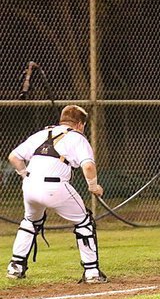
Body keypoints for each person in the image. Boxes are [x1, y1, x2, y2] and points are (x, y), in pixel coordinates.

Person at [6, 105, 108, 284]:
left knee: (30, 221)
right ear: (80, 124)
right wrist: (93, 186)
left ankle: (16, 266)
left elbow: (14, 157)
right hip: (55, 185)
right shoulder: (77, 137)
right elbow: (89, 166)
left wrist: (24, 175)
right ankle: (92, 272)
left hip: (30, 184)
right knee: (84, 221)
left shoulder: (40, 134)